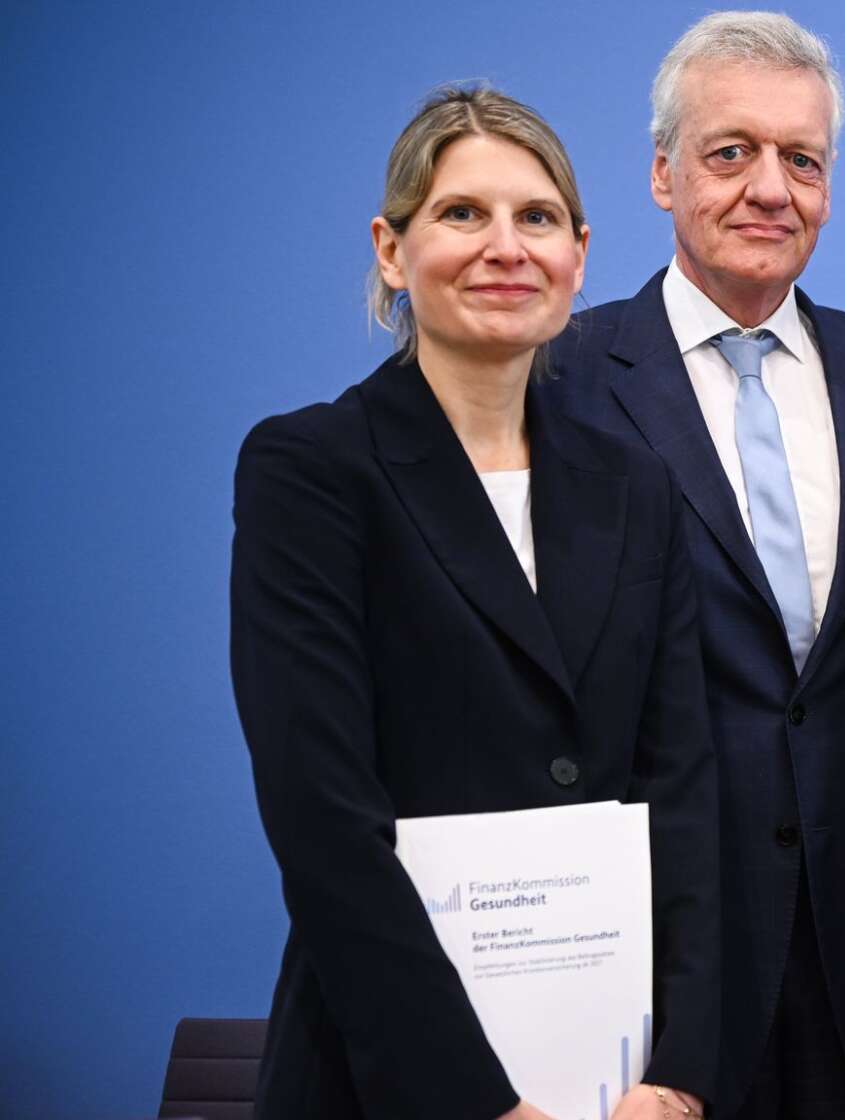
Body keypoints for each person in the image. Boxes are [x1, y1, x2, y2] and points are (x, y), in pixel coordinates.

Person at [231, 86, 718, 1120]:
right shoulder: (312, 471)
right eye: (462, 213)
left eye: (536, 217)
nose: (506, 247)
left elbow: (682, 790)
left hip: (622, 1085)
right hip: (389, 1083)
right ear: (391, 249)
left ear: (579, 254)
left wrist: (681, 1071)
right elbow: (323, 820)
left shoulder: (636, 487)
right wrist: (475, 1102)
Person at [543, 13, 845, 1119]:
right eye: (731, 152)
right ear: (662, 174)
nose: (770, 189)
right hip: (646, 970)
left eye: (803, 160)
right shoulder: (559, 379)